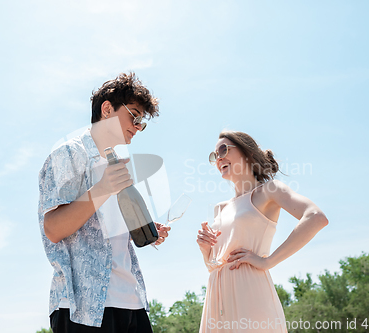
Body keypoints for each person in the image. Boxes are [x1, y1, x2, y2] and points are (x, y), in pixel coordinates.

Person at [38, 72, 170, 333]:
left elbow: (103, 231)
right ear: (107, 109)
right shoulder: (68, 153)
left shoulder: (115, 162)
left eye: (142, 121)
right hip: (83, 307)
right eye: (134, 115)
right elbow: (53, 229)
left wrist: (144, 229)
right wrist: (103, 188)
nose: (138, 126)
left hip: (131, 302)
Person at [197, 131, 329, 333]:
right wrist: (206, 251)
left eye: (223, 150)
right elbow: (212, 266)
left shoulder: (269, 190)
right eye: (214, 156)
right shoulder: (219, 208)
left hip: (251, 295)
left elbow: (316, 217)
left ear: (246, 153)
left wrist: (268, 261)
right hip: (216, 301)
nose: (218, 159)